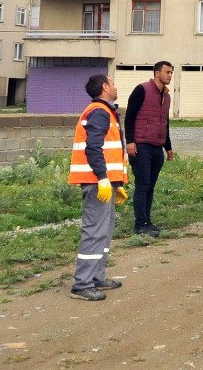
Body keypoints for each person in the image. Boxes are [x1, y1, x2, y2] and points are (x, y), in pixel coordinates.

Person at [69, 74, 128, 301]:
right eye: (113, 83)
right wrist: (103, 178)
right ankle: (82, 284)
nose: (116, 86)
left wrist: (116, 182)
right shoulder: (100, 112)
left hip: (105, 183)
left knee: (104, 232)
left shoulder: (105, 112)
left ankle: (96, 277)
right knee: (94, 232)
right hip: (97, 183)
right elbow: (92, 147)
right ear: (105, 87)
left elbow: (109, 150)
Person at [125, 61, 175, 237]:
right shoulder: (142, 90)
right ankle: (140, 224)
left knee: (150, 186)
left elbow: (165, 123)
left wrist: (168, 147)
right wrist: (130, 141)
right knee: (142, 184)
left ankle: (147, 221)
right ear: (156, 73)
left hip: (156, 147)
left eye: (171, 73)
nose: (170, 75)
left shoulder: (166, 96)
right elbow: (129, 117)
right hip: (141, 146)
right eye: (167, 72)